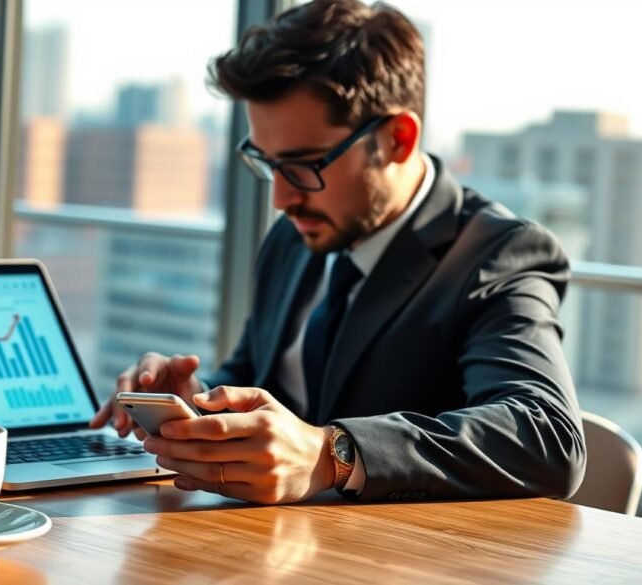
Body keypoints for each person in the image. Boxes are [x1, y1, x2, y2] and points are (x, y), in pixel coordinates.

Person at [90, 0, 586, 504]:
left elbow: (547, 436)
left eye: (304, 165)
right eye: (269, 165)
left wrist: (333, 453)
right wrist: (196, 402)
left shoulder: (498, 254)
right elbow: (260, 380)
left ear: (398, 138)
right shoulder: (296, 235)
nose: (282, 199)